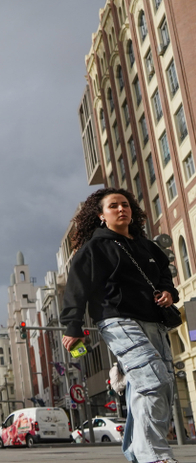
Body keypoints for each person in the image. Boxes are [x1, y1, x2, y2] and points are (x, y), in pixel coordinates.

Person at [61, 187, 179, 463]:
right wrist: (72, 327)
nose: (121, 209)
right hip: (117, 320)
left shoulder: (147, 246)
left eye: (125, 204)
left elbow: (164, 272)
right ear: (101, 215)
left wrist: (167, 291)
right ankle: (155, 455)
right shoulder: (95, 248)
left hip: (154, 322)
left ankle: (136, 454)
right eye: (113, 206)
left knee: (152, 386)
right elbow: (76, 290)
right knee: (153, 380)